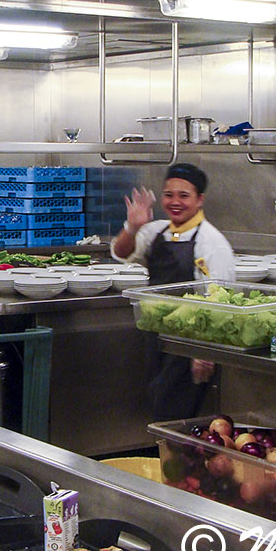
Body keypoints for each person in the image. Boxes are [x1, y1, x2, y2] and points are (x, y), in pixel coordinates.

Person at [112, 163, 236, 420]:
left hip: (190, 344)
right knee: (160, 408)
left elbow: (221, 301)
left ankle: (179, 459)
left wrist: (204, 352)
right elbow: (121, 252)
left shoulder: (212, 242)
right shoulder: (157, 231)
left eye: (184, 196)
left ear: (200, 200)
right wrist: (133, 226)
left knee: (179, 415)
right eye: (169, 195)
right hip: (157, 336)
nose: (175, 202)